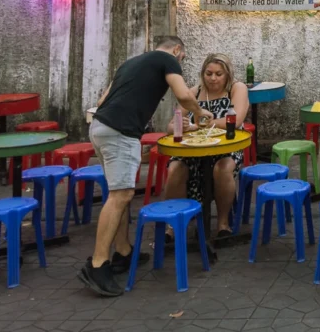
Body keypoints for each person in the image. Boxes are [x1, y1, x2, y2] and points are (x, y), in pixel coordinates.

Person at [80, 35, 213, 297]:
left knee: (119, 192)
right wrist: (200, 113)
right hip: (121, 131)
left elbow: (102, 99)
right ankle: (97, 264)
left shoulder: (130, 64)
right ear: (177, 50)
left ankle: (123, 252)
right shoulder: (166, 59)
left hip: (100, 127)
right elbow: (184, 95)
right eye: (182, 58)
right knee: (121, 195)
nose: (181, 62)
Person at [162, 54, 249, 240]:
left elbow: (236, 120)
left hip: (227, 147)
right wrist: (183, 126)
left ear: (227, 75)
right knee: (175, 168)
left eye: (219, 74)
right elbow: (170, 126)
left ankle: (223, 224)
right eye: (208, 73)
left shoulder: (236, 88)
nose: (213, 78)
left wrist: (203, 124)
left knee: (222, 168)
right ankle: (173, 225)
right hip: (194, 148)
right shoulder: (194, 92)